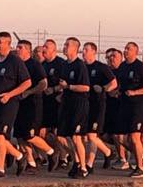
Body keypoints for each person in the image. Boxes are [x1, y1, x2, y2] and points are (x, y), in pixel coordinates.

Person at [0, 32, 30, 178]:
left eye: (0, 42)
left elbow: (27, 82)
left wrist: (10, 94)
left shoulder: (15, 61)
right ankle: (19, 156)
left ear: (8, 44)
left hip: (9, 103)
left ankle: (0, 169)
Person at [15, 39, 56, 174]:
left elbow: (43, 84)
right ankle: (31, 163)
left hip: (33, 104)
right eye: (17, 47)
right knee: (20, 136)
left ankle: (51, 152)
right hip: (19, 105)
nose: (17, 50)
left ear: (28, 50)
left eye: (20, 47)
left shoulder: (35, 65)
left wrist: (29, 92)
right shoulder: (16, 64)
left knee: (30, 135)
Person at [115, 42, 143, 178]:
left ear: (135, 52)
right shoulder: (122, 67)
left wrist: (136, 92)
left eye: (128, 49)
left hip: (139, 106)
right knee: (118, 137)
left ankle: (140, 168)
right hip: (124, 105)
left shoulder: (141, 67)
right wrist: (117, 92)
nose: (125, 51)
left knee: (134, 136)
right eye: (125, 48)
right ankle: (141, 156)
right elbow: (120, 84)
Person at [56, 37, 90, 177]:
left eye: (67, 45)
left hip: (79, 105)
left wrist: (69, 87)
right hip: (66, 104)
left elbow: (86, 87)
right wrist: (61, 93)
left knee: (76, 137)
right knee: (61, 136)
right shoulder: (65, 65)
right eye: (64, 44)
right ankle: (76, 161)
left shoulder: (79, 65)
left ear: (75, 48)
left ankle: (83, 167)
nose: (64, 47)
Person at [83, 42, 116, 172]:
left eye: (86, 49)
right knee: (86, 136)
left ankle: (91, 163)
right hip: (85, 105)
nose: (83, 52)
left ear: (93, 52)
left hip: (98, 105)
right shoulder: (82, 67)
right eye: (83, 49)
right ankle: (106, 153)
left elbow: (113, 83)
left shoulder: (101, 67)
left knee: (92, 135)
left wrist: (103, 88)